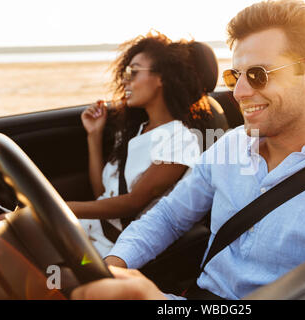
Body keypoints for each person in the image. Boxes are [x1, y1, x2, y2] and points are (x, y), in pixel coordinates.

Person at [72, 0, 305, 299]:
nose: (240, 92)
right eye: (235, 77)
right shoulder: (232, 144)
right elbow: (169, 216)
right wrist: (113, 265)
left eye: (259, 75)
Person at [67, 32, 211, 257]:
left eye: (133, 72)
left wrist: (62, 208)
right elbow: (104, 194)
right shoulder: (135, 131)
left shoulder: (180, 139)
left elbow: (133, 203)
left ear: (162, 77)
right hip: (86, 232)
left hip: (111, 250)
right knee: (7, 228)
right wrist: (93, 136)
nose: (125, 80)